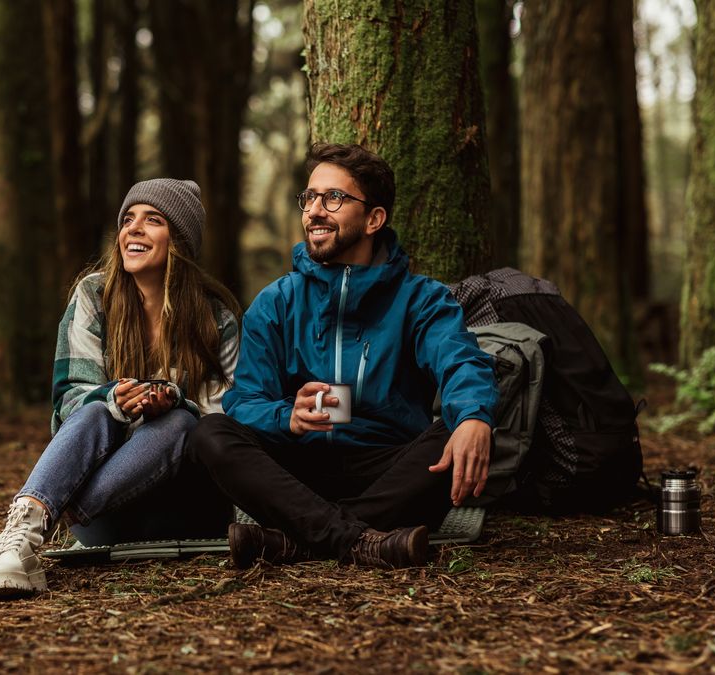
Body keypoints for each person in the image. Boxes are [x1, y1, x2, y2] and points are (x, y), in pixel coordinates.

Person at [188, 143, 498, 570]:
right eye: (310, 198)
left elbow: (461, 362)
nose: (315, 210)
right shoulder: (276, 302)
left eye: (333, 198)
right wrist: (287, 417)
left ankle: (297, 541)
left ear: (374, 219)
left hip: (386, 466)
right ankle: (360, 538)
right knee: (211, 433)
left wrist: (474, 418)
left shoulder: (421, 300)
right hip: (295, 473)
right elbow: (245, 401)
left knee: (458, 433)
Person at [0, 179, 241, 600]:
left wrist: (170, 402)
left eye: (153, 220)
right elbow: (70, 401)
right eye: (128, 219)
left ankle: (26, 533)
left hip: (186, 505)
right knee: (96, 408)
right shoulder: (94, 295)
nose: (134, 229)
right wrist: (114, 401)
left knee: (181, 423)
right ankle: (24, 532)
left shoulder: (215, 317)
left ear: (180, 240)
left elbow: (225, 425)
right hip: (103, 514)